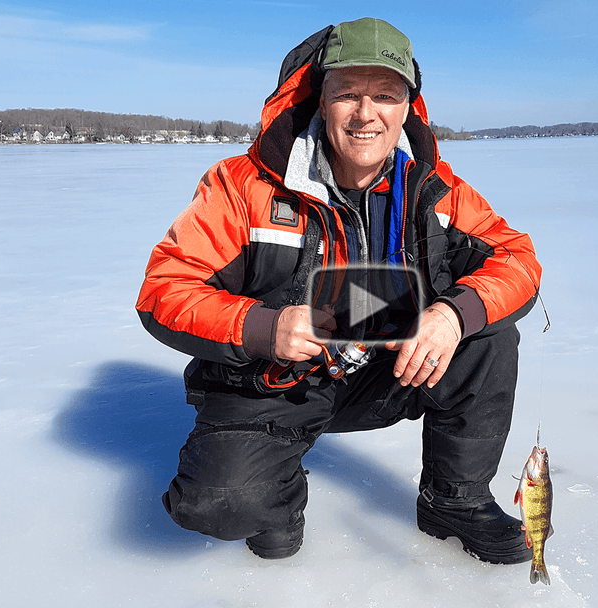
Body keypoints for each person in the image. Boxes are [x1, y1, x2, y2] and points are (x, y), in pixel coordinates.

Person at [136, 17, 542, 563]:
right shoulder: (241, 186)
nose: (366, 113)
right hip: (275, 383)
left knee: (487, 334)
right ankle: (275, 497)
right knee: (223, 505)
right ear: (320, 98)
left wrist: (450, 315)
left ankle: (453, 500)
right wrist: (264, 326)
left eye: (385, 95)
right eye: (347, 93)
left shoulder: (434, 188)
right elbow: (165, 289)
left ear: (408, 108)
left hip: (387, 370)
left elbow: (517, 258)